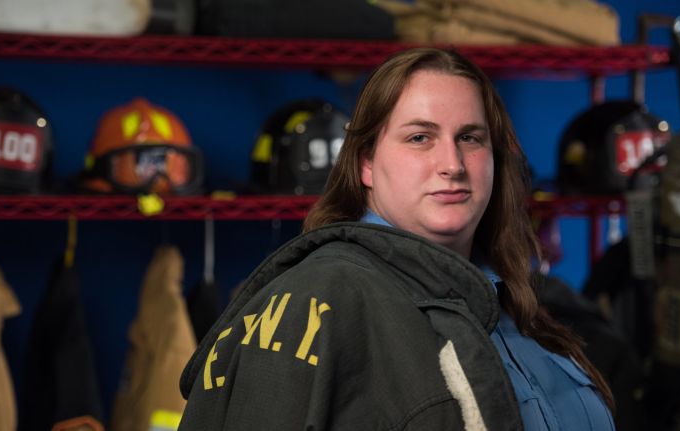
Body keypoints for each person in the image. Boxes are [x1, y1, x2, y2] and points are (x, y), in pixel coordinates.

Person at [178, 47, 615, 430]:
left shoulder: (512, 302)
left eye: (470, 138)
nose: (452, 164)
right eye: (420, 137)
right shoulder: (319, 297)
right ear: (366, 163)